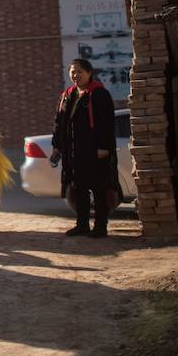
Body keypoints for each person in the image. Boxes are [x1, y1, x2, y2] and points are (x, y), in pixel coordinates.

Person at [52, 58, 116, 238]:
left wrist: (103, 147)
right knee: (78, 189)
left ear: (89, 73)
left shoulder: (99, 94)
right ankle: (82, 225)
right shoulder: (67, 95)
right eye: (73, 71)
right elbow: (59, 122)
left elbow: (107, 123)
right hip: (74, 152)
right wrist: (57, 145)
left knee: (99, 189)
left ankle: (100, 227)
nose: (76, 75)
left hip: (94, 151)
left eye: (80, 71)